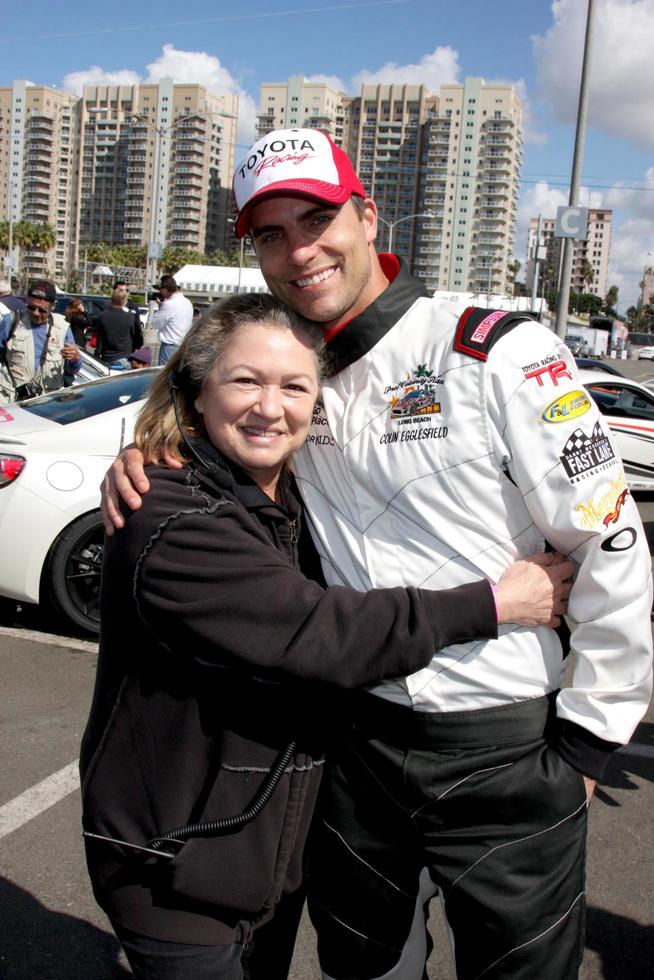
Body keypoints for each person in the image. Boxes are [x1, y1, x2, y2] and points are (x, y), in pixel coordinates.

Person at [102, 129, 653, 980]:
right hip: (352, 751)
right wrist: (144, 450)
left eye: (317, 219)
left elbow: (611, 541)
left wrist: (587, 744)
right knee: (364, 970)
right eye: (271, 235)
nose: (300, 251)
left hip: (506, 749)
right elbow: (208, 424)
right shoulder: (288, 364)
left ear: (366, 215)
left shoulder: (496, 348)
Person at [82, 293, 569, 980]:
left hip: (259, 856)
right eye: (245, 380)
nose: (269, 406)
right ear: (197, 393)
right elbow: (320, 632)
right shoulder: (169, 513)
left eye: (294, 386)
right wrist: (495, 603)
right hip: (173, 866)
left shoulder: (294, 500)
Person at [0, 279, 81, 402]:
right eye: (32, 307)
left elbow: (72, 370)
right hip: (11, 401)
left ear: (53, 306)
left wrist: (75, 359)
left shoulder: (62, 328)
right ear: (26, 300)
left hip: (46, 404)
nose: (36, 313)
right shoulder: (11, 320)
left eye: (42, 310)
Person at [94, 286, 144, 367]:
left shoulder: (102, 316)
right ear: (125, 301)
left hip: (106, 358)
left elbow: (99, 338)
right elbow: (138, 337)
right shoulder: (131, 316)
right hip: (125, 357)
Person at [151, 274, 193, 365]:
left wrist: (161, 307)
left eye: (160, 290)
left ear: (165, 289)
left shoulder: (169, 304)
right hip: (183, 347)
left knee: (165, 377)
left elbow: (155, 324)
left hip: (169, 347)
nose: (160, 292)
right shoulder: (187, 302)